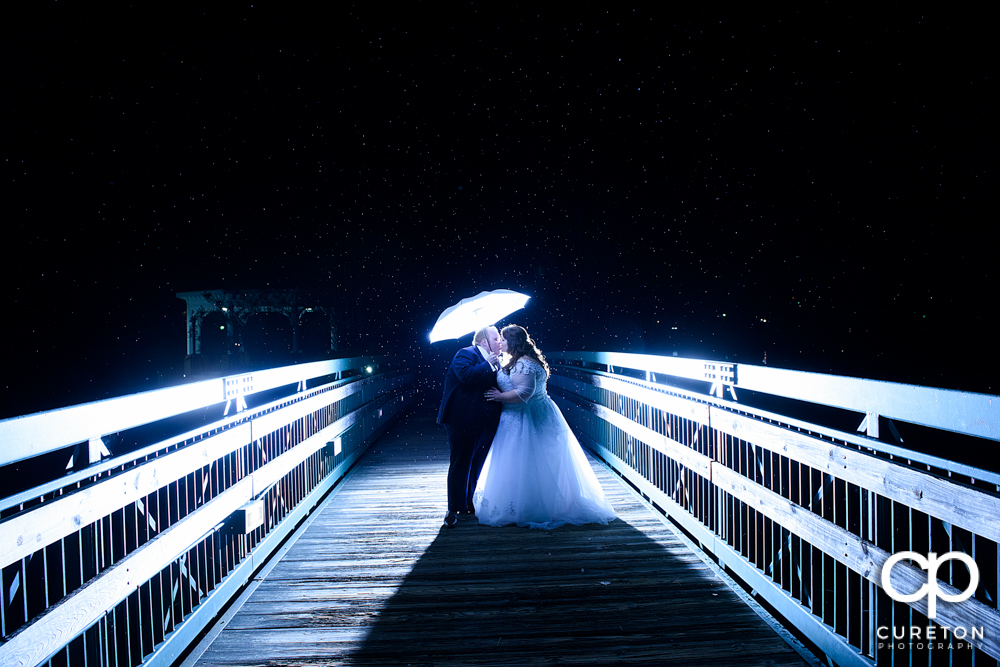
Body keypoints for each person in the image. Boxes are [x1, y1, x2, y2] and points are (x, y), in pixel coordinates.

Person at [475, 325, 617, 529]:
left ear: (513, 342)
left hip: (526, 418)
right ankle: (518, 504)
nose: (501, 343)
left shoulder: (524, 364)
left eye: (503, 340)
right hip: (518, 417)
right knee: (520, 462)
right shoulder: (515, 361)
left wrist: (499, 397)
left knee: (528, 461)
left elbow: (524, 393)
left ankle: (532, 506)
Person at [437, 326, 503, 528]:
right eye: (496, 338)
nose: (500, 342)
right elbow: (465, 376)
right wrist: (487, 364)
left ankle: (470, 504)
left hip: (484, 422)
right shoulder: (465, 353)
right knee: (461, 463)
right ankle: (453, 509)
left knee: (476, 464)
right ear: (484, 342)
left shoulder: (496, 361)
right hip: (462, 420)